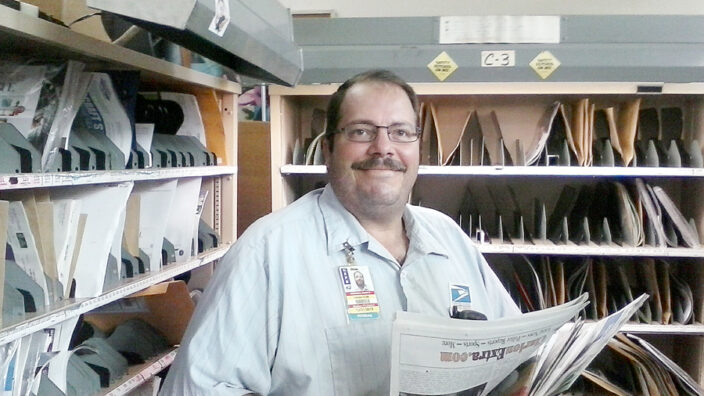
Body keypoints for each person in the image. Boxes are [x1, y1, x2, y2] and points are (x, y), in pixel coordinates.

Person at [160, 69, 521, 396]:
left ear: (417, 149)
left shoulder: (450, 237)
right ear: (328, 150)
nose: (383, 148)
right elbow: (197, 389)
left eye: (401, 132)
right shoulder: (270, 250)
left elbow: (515, 353)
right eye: (361, 131)